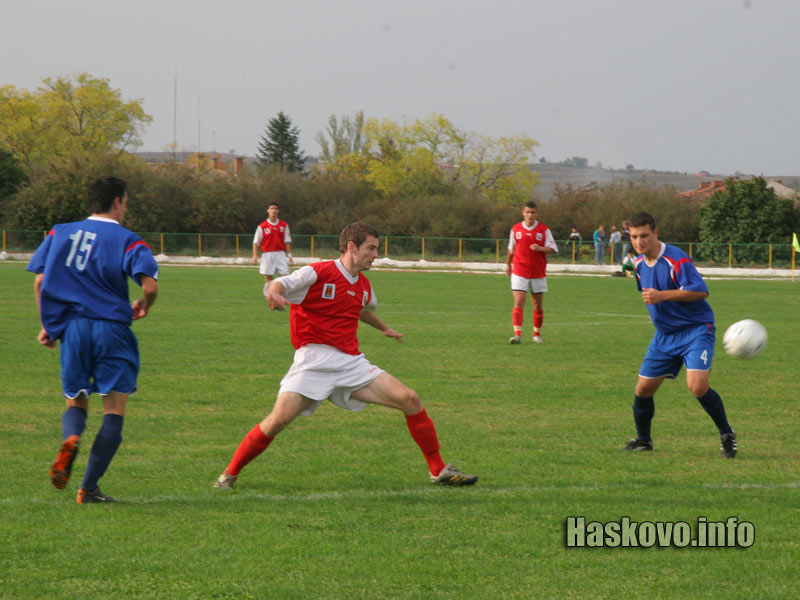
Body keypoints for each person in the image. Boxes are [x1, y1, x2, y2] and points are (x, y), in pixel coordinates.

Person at [213, 222, 477, 489]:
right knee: (276, 421)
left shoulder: (364, 286)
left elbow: (360, 310)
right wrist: (275, 293)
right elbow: (280, 283)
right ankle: (228, 474)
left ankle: (438, 470)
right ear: (352, 247)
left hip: (350, 363)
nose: (376, 255)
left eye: (376, 249)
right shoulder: (318, 272)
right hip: (313, 362)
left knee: (409, 399)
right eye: (371, 248)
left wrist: (384, 328)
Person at [26, 176, 160, 503]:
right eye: (125, 203)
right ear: (116, 202)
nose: (125, 209)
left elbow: (40, 281)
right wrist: (145, 304)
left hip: (73, 329)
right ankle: (88, 488)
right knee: (113, 409)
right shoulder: (127, 239)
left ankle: (71, 438)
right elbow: (150, 286)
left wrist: (49, 325)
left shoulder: (59, 232)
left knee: (76, 400)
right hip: (111, 329)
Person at [623, 211, 737, 458]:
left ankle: (727, 435)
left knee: (697, 386)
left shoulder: (676, 259)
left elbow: (700, 290)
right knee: (643, 389)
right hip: (665, 336)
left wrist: (662, 295)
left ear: (655, 233)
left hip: (696, 330)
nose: (639, 241)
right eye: (634, 237)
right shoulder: (638, 264)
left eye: (644, 235)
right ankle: (644, 440)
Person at [505, 200, 558, 344]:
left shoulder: (544, 230)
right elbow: (511, 248)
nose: (530, 215)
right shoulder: (516, 229)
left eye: (532, 212)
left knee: (537, 305)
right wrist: (508, 264)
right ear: (523, 213)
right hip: (519, 270)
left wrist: (540, 248)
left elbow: (553, 249)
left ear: (537, 213)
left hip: (537, 272)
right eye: (527, 212)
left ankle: (537, 334)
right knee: (519, 301)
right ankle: (517, 335)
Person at [252, 202, 294, 310]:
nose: (274, 210)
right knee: (268, 279)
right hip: (267, 255)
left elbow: (287, 241)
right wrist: (255, 255)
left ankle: (280, 302)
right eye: (271, 208)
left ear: (278, 211)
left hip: (280, 254)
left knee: (284, 278)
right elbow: (256, 242)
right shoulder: (262, 226)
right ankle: (271, 303)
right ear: (268, 210)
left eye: (275, 208)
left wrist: (290, 256)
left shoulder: (284, 225)